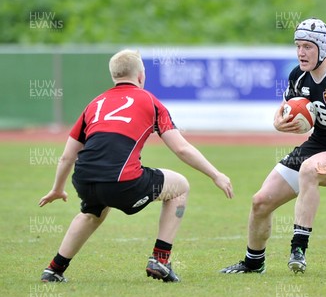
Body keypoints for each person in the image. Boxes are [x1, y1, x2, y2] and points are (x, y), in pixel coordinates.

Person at [38, 49, 234, 283]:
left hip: (84, 179)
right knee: (180, 187)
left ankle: (54, 269)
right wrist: (215, 174)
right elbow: (181, 148)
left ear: (114, 76)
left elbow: (67, 157)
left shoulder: (95, 103)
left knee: (92, 213)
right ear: (141, 76)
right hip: (122, 182)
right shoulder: (150, 101)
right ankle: (160, 260)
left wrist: (57, 188)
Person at [220, 18, 326, 274]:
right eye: (298, 46)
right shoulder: (298, 76)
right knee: (260, 201)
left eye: (308, 47)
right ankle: (253, 263)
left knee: (309, 170)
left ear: (323, 48)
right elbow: (284, 111)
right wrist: (278, 124)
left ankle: (298, 248)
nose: (301, 53)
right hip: (317, 145)